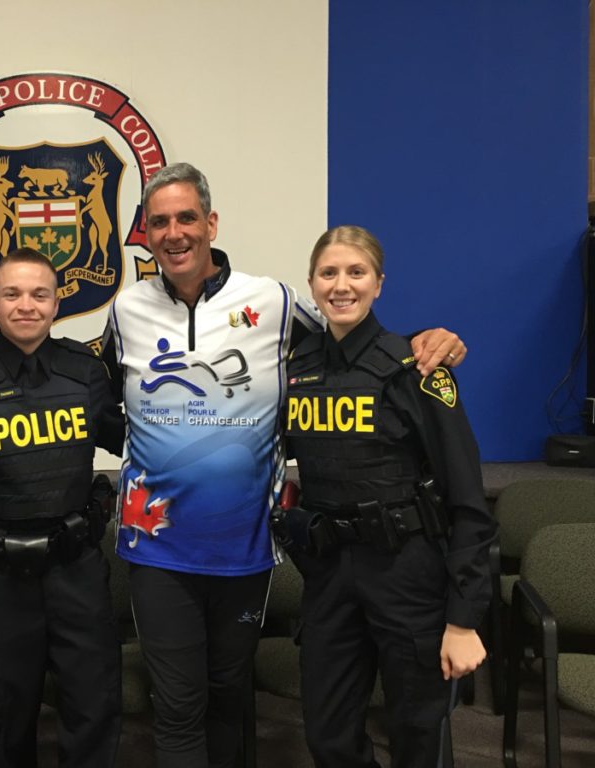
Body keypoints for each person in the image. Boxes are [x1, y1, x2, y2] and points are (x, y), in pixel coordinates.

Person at [100, 162, 466, 768]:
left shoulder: (271, 301)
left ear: (211, 223)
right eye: (159, 222)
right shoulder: (125, 310)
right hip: (156, 543)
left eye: (187, 217)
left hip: (243, 542)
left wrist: (428, 338)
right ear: (146, 233)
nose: (174, 233)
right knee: (178, 706)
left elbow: (349, 340)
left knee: (229, 695)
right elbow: (100, 399)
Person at [278, 225, 494, 768]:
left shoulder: (417, 368)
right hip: (330, 575)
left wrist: (464, 618)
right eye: (329, 273)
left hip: (406, 570)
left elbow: (468, 499)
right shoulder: (295, 369)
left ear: (378, 283)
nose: (342, 285)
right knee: (328, 734)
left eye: (356, 272)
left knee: (417, 734)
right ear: (312, 283)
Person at [0, 247, 124, 768]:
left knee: (94, 707)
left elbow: (134, 438)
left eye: (40, 294)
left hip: (76, 570)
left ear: (57, 301)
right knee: (6, 717)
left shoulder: (86, 372)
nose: (26, 305)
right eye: (13, 294)